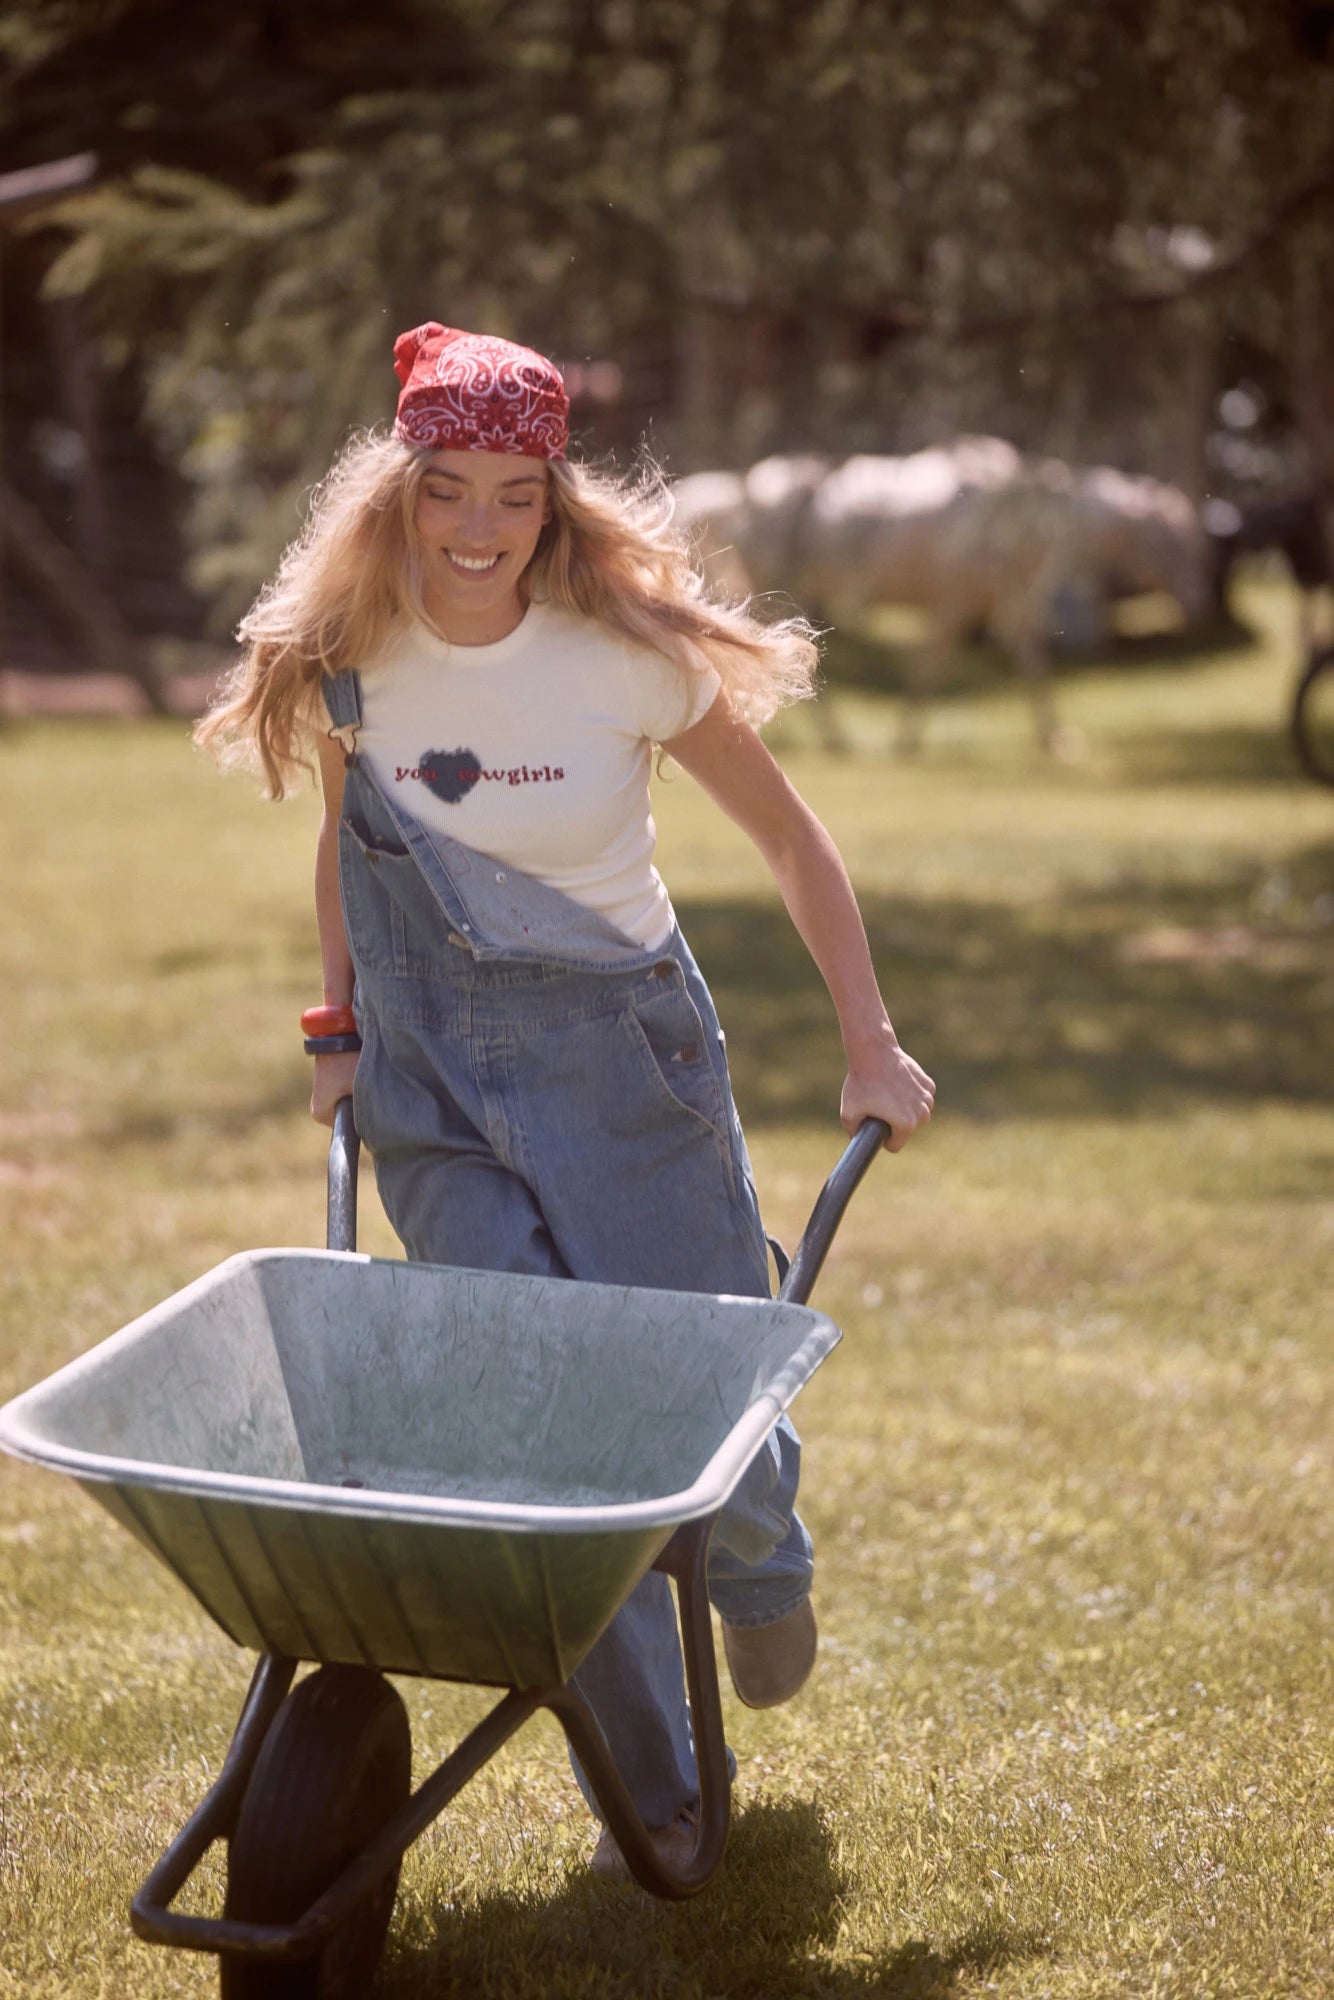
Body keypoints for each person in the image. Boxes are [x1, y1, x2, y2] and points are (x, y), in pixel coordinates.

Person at [197, 321, 934, 1881]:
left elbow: (796, 848)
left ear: (555, 500)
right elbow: (354, 852)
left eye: (512, 497)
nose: (476, 530)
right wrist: (337, 1027)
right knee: (539, 1437)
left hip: (624, 1062)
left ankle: (755, 1551)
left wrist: (868, 1039)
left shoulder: (628, 659)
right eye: (446, 490)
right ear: (397, 492)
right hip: (433, 1084)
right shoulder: (352, 661)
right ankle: (651, 1784)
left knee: (687, 1397)